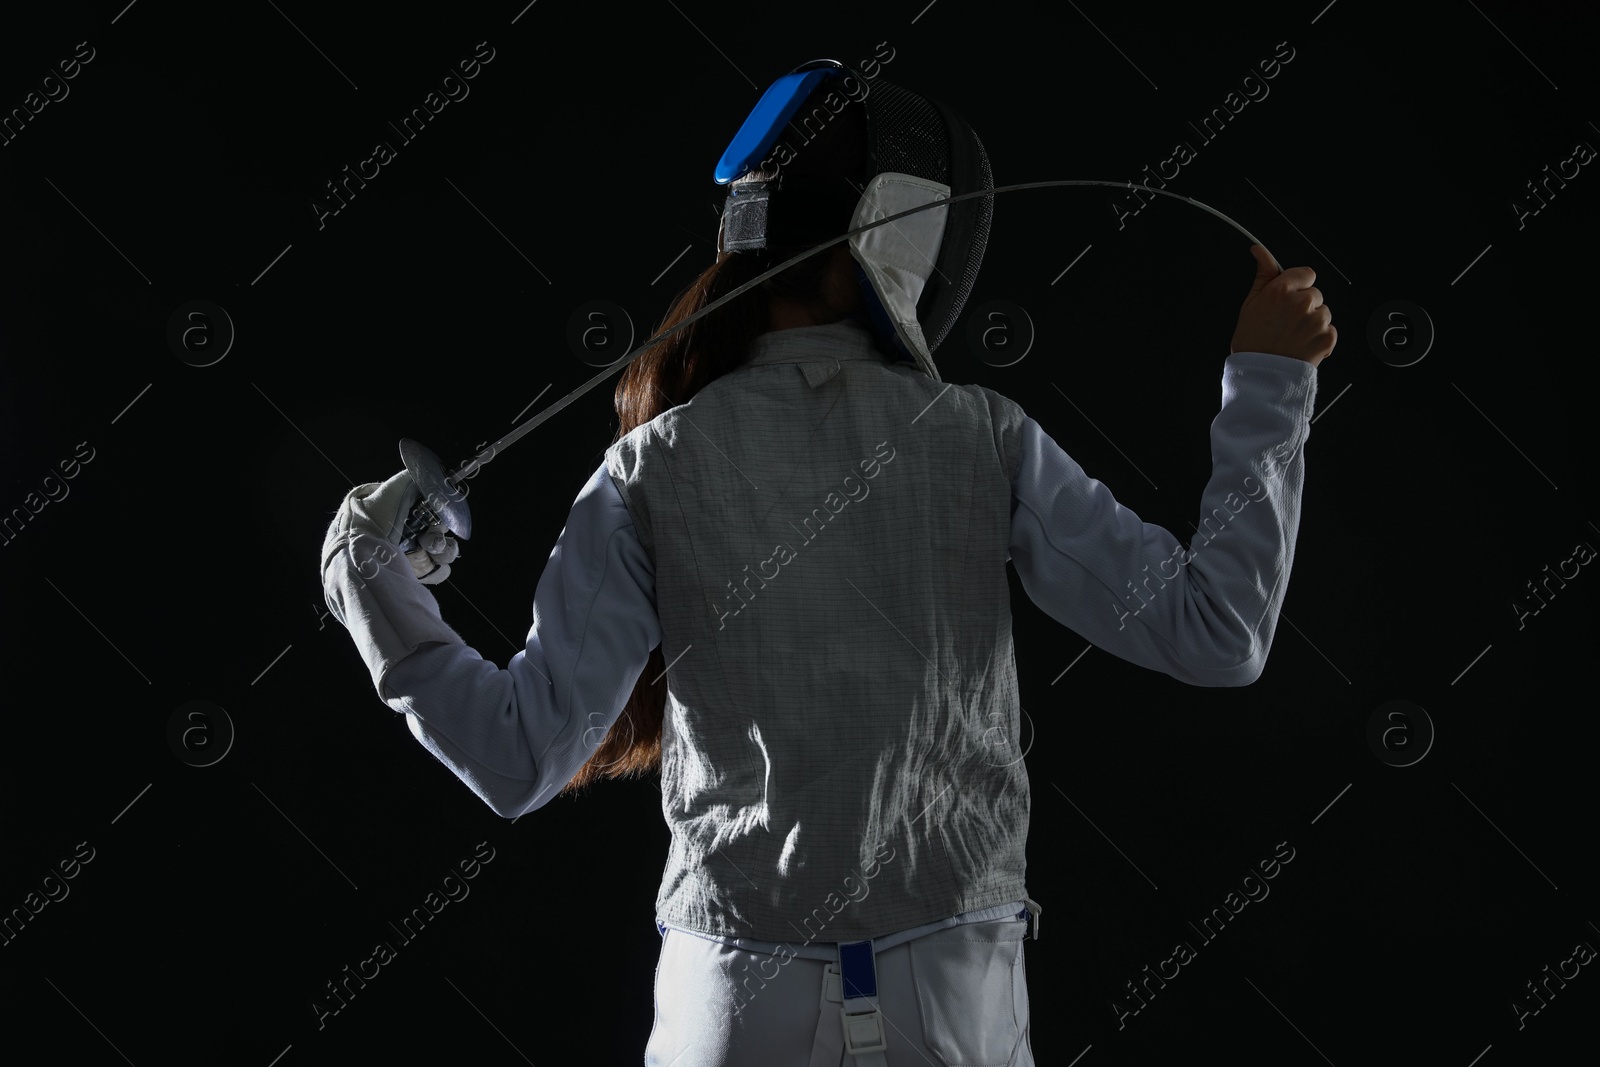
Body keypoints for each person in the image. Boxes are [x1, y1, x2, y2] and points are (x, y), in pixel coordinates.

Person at [319, 58, 1333, 1067]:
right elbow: (1218, 633)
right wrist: (1270, 382)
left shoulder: (653, 462)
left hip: (732, 997)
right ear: (902, 236)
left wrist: (367, 569)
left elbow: (515, 756)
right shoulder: (976, 436)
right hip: (951, 998)